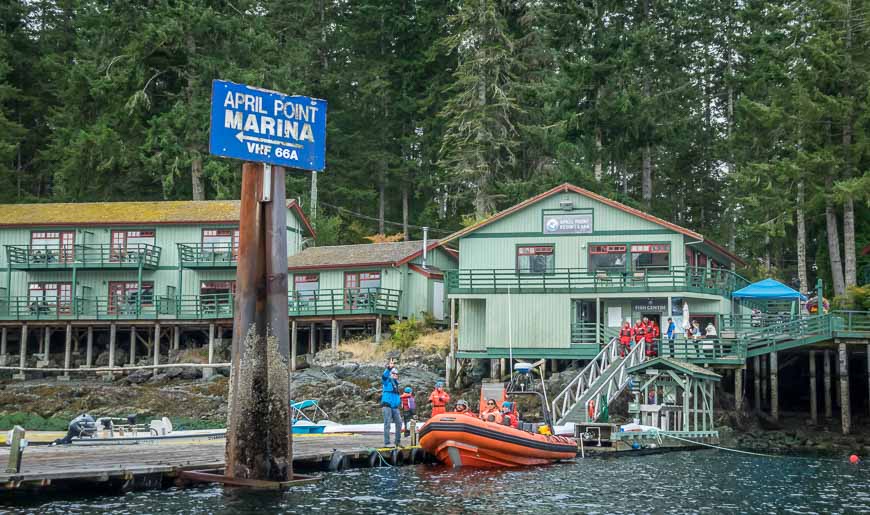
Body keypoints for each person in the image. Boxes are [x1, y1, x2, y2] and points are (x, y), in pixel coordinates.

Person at [380, 358, 402, 447]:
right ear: (391, 374)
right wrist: (389, 368)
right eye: (394, 373)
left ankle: (397, 442)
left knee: (399, 423)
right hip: (387, 406)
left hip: (395, 407)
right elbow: (384, 376)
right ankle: (387, 443)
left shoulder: (396, 384)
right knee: (387, 424)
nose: (396, 375)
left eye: (397, 374)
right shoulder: (387, 381)